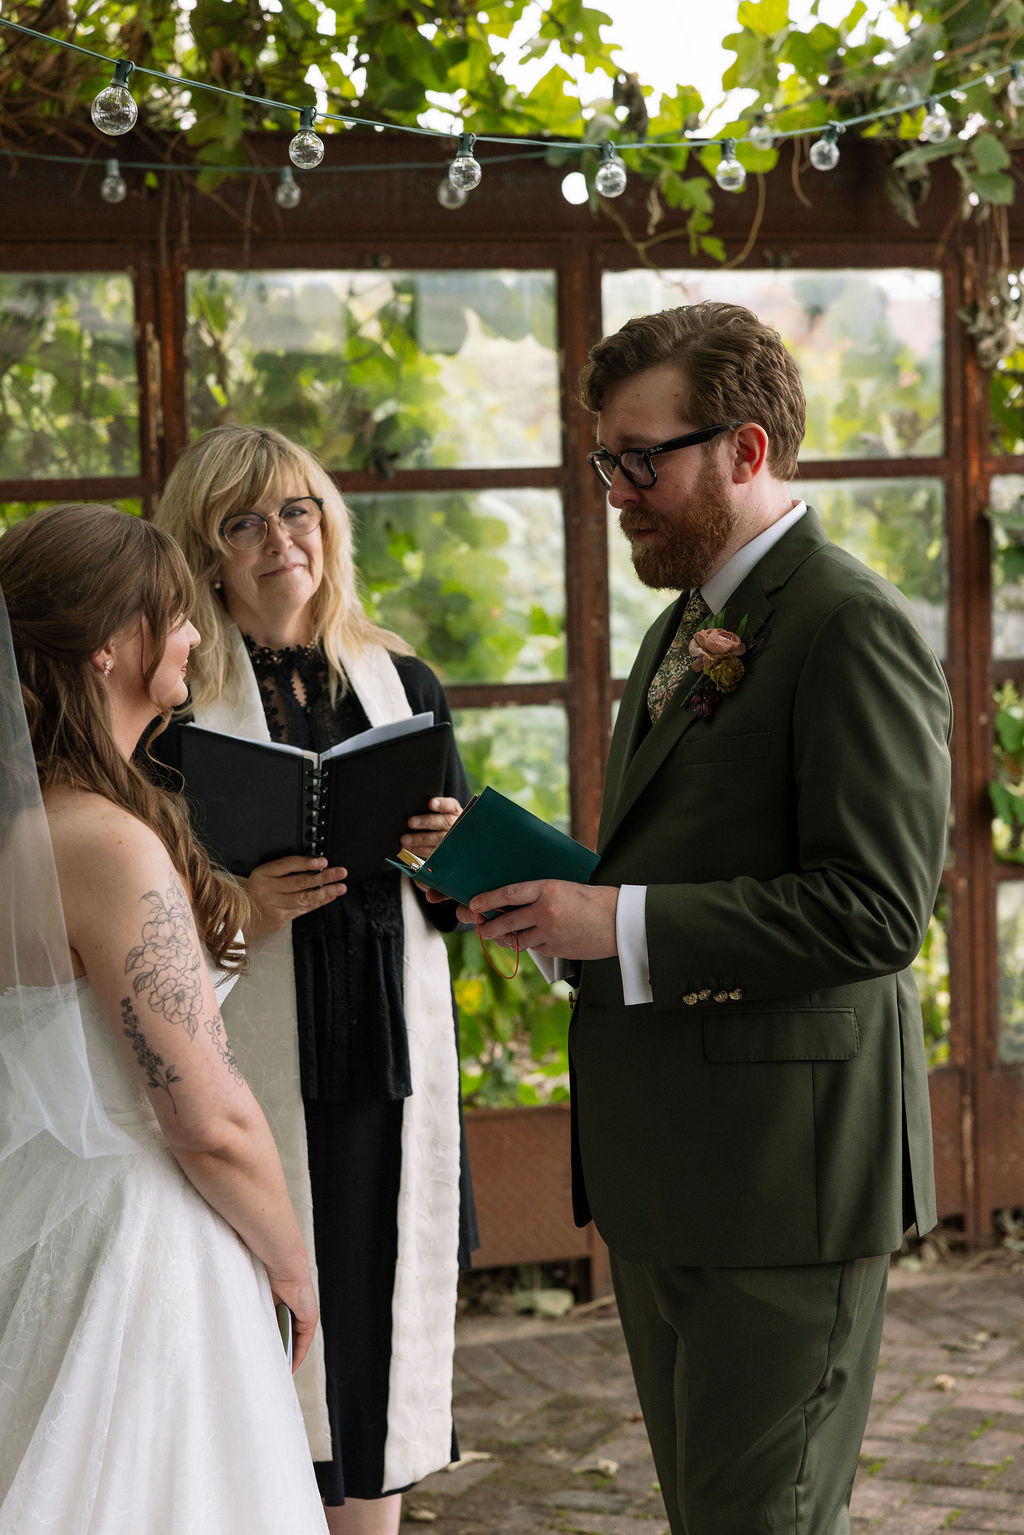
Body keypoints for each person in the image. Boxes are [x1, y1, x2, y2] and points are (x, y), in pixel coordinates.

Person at [450, 302, 952, 1535]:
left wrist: (614, 921)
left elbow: (876, 909)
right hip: (675, 1167)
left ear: (745, 450)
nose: (616, 489)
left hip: (790, 1176)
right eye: (604, 460)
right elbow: (695, 860)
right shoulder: (687, 624)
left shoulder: (849, 622)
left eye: (641, 458)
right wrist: (551, 905)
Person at [151, 424, 475, 1535]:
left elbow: (466, 903)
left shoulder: (407, 683)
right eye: (240, 522)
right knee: (270, 1308)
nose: (276, 538)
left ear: (328, 524)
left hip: (387, 1043)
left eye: (295, 510)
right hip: (258, 1058)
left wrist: (446, 862)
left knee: (375, 1302)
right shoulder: (177, 715)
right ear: (206, 555)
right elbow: (141, 928)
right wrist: (250, 905)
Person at [0, 503, 328, 1533]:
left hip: (42, 1200)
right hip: (136, 1239)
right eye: (174, 615)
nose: (191, 633)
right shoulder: (104, 842)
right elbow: (203, 1111)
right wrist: (289, 1258)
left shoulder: (30, 824)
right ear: (113, 645)